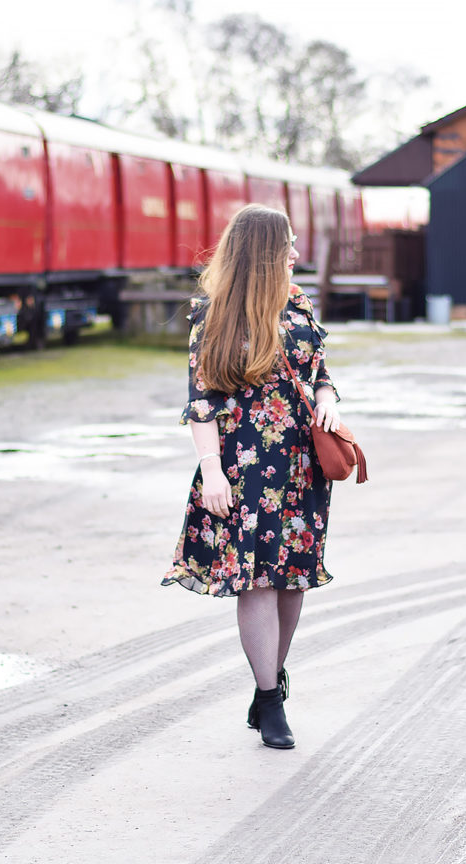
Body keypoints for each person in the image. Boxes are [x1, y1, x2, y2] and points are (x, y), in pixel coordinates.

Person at [161, 204, 342, 749]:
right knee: (257, 578)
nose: (294, 254)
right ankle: (269, 700)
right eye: (285, 244)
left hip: (301, 466)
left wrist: (328, 398)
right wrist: (212, 472)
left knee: (293, 579)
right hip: (243, 467)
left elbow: (321, 372)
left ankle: (273, 677)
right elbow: (201, 401)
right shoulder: (214, 311)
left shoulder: (297, 304)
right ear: (261, 250)